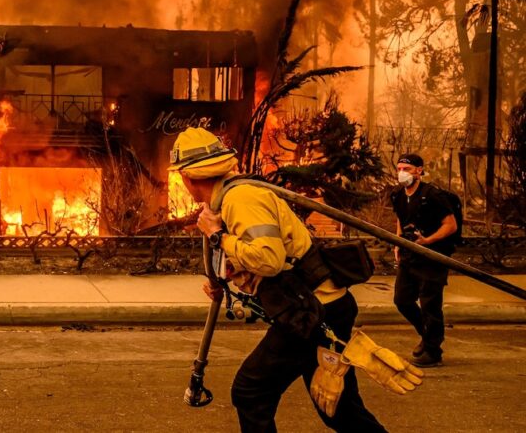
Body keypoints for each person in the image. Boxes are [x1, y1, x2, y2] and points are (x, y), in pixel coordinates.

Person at [170, 127, 385, 432]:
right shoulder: (226, 200)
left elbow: (268, 259)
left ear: (187, 177)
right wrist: (227, 275)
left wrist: (217, 236)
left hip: (313, 312)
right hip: (319, 308)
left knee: (251, 391)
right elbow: (261, 254)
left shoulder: (240, 199)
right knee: (338, 409)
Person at [390, 153, 457, 367]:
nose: (402, 173)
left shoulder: (433, 195)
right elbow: (401, 220)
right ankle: (427, 336)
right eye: (399, 168)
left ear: (419, 170)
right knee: (402, 300)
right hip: (409, 256)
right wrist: (397, 243)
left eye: (407, 169)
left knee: (430, 304)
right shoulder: (398, 195)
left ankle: (433, 350)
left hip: (433, 257)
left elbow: (450, 225)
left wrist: (427, 240)